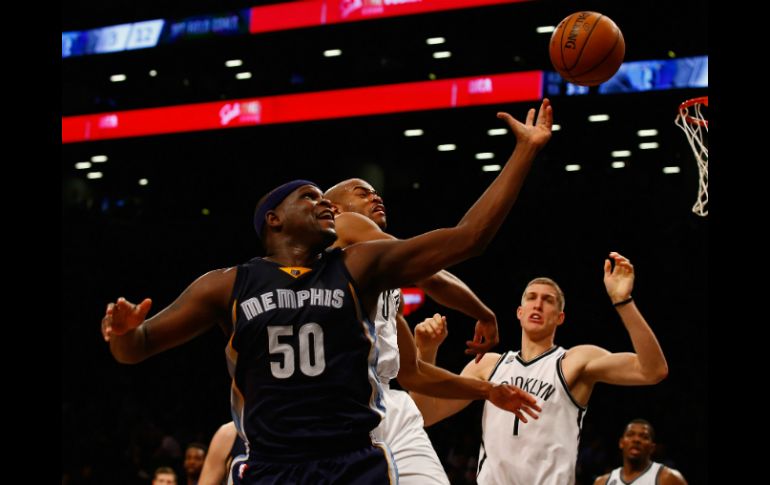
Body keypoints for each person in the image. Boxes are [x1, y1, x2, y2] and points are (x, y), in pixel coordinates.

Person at [101, 98, 553, 484]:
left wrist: (524, 153)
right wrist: (122, 333)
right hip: (273, 464)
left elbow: (468, 237)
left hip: (355, 459)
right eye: (308, 197)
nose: (323, 204)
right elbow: (136, 349)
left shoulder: (360, 268)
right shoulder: (227, 284)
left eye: (324, 197)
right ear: (273, 220)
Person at [411, 253, 669, 485]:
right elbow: (424, 415)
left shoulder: (575, 361)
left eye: (548, 300)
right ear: (520, 313)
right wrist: (425, 352)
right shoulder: (488, 365)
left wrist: (623, 301)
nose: (538, 304)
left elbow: (652, 370)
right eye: (531, 298)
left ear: (560, 317)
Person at [324, 177, 500, 485]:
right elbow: (430, 273)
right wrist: (482, 313)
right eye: (362, 193)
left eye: (376, 192)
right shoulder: (344, 224)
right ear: (335, 209)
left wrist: (488, 391)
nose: (375, 197)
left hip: (388, 403)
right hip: (341, 404)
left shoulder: (385, 284)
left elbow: (412, 373)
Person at [593, 419, 688, 485]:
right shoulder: (602, 482)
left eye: (644, 436)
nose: (636, 440)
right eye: (630, 435)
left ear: (652, 447)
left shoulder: (668, 478)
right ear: (621, 443)